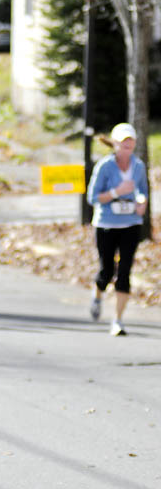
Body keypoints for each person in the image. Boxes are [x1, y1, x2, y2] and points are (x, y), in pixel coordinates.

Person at [86, 122, 149, 336]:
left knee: (125, 272)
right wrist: (116, 192)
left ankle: (118, 320)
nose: (127, 144)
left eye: (131, 141)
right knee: (106, 271)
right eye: (123, 141)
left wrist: (142, 202)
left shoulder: (138, 166)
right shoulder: (105, 167)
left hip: (131, 223)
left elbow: (142, 191)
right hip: (106, 224)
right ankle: (97, 294)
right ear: (115, 143)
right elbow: (93, 197)